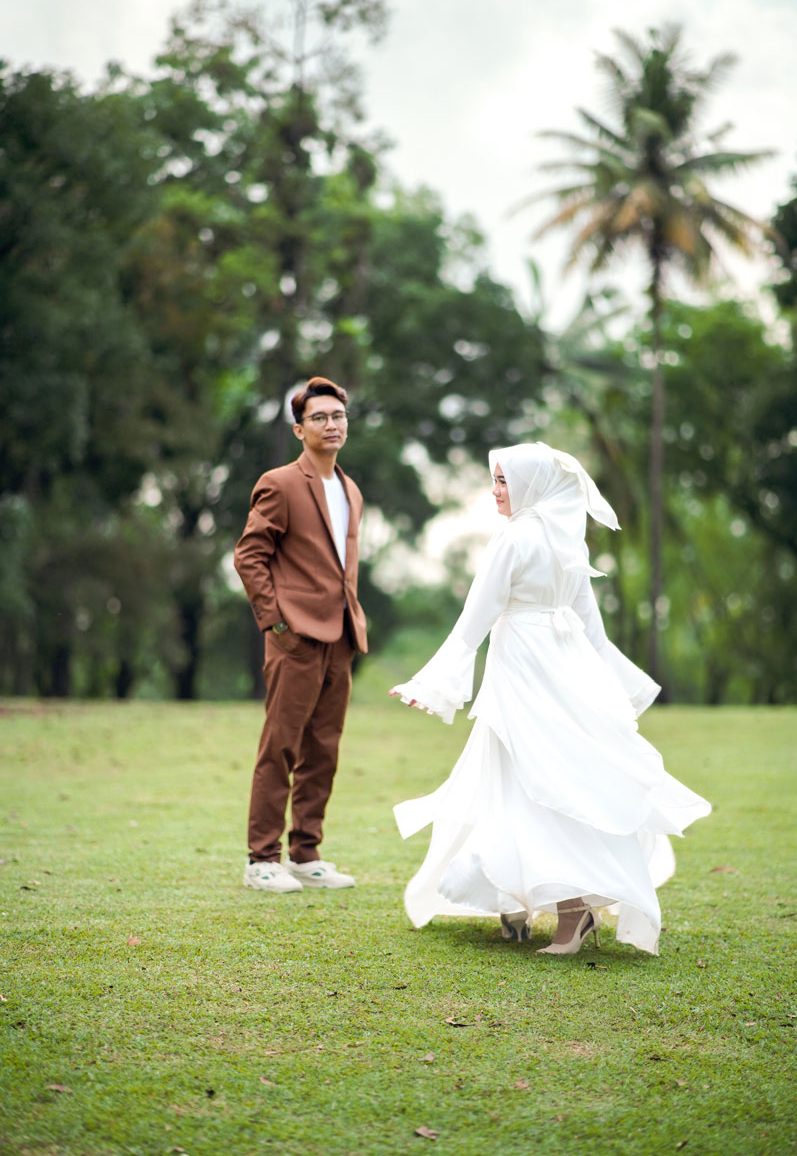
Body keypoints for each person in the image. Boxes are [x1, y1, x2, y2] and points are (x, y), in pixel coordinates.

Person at [390, 442, 710, 954]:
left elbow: (476, 617)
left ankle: (564, 910)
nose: (495, 491)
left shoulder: (514, 538)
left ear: (531, 484)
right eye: (495, 479)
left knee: (527, 778)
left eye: (503, 480)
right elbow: (591, 626)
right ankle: (518, 901)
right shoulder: (568, 536)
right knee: (545, 774)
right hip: (562, 666)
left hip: (526, 666)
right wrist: (612, 686)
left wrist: (432, 683)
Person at [234, 376, 368, 893]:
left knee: (323, 749)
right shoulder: (281, 483)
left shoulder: (351, 490)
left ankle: (305, 853)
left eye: (338, 416)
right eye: (320, 418)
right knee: (281, 747)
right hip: (294, 638)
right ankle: (261, 859)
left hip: (341, 638)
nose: (331, 425)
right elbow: (249, 555)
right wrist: (275, 621)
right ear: (299, 429)